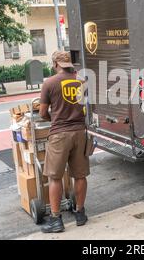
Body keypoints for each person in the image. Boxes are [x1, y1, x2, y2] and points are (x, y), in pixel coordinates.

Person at [39, 51, 89, 233]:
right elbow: (86, 106)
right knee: (80, 175)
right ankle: (80, 214)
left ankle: (56, 220)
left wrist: (55, 118)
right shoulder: (82, 81)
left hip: (60, 134)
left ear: (55, 64)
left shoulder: (49, 83)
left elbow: (43, 112)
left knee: (55, 177)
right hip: (80, 132)